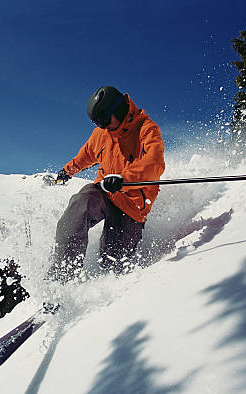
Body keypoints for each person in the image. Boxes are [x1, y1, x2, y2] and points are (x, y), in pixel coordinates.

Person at [48, 85, 165, 283]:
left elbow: (154, 164)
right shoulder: (101, 134)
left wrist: (124, 180)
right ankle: (60, 281)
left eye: (103, 120)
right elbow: (84, 156)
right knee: (79, 205)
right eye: (97, 122)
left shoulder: (146, 129)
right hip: (103, 191)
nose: (101, 126)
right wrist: (66, 172)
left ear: (118, 109)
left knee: (113, 267)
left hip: (132, 206)